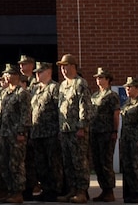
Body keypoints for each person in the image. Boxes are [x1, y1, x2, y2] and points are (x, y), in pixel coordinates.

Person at [56, 56, 91, 204]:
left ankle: (82, 192)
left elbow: (85, 106)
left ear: (73, 66)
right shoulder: (63, 85)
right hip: (65, 130)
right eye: (61, 67)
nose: (63, 69)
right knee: (68, 162)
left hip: (77, 130)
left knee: (79, 162)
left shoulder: (80, 83)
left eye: (65, 66)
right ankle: (72, 190)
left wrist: (82, 126)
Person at [0, 68, 30, 205]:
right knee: (5, 163)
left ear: (16, 75)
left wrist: (21, 132)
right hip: (4, 134)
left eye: (8, 74)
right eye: (5, 74)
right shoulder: (4, 93)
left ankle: (18, 192)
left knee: (16, 164)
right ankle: (10, 191)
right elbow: (0, 114)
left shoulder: (22, 93)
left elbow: (25, 114)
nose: (5, 76)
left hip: (16, 135)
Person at [27, 64, 59, 203]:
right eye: (36, 72)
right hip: (37, 132)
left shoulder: (54, 88)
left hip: (51, 132)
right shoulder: (35, 89)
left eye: (40, 72)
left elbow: (59, 110)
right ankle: (45, 189)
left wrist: (58, 131)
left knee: (53, 164)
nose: (37, 74)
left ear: (49, 72)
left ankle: (54, 191)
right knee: (41, 164)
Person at [88, 71, 119, 204]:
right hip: (94, 132)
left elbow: (116, 114)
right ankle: (103, 189)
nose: (98, 80)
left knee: (106, 161)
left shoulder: (112, 95)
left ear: (107, 79)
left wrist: (115, 131)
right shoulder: (95, 95)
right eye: (97, 78)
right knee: (97, 162)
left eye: (101, 78)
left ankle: (109, 191)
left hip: (106, 132)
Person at [117, 81, 138, 205]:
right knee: (127, 167)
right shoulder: (127, 103)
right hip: (126, 140)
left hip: (136, 141)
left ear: (137, 88)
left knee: (137, 167)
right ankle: (130, 193)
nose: (127, 89)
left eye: (130, 87)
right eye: (126, 87)